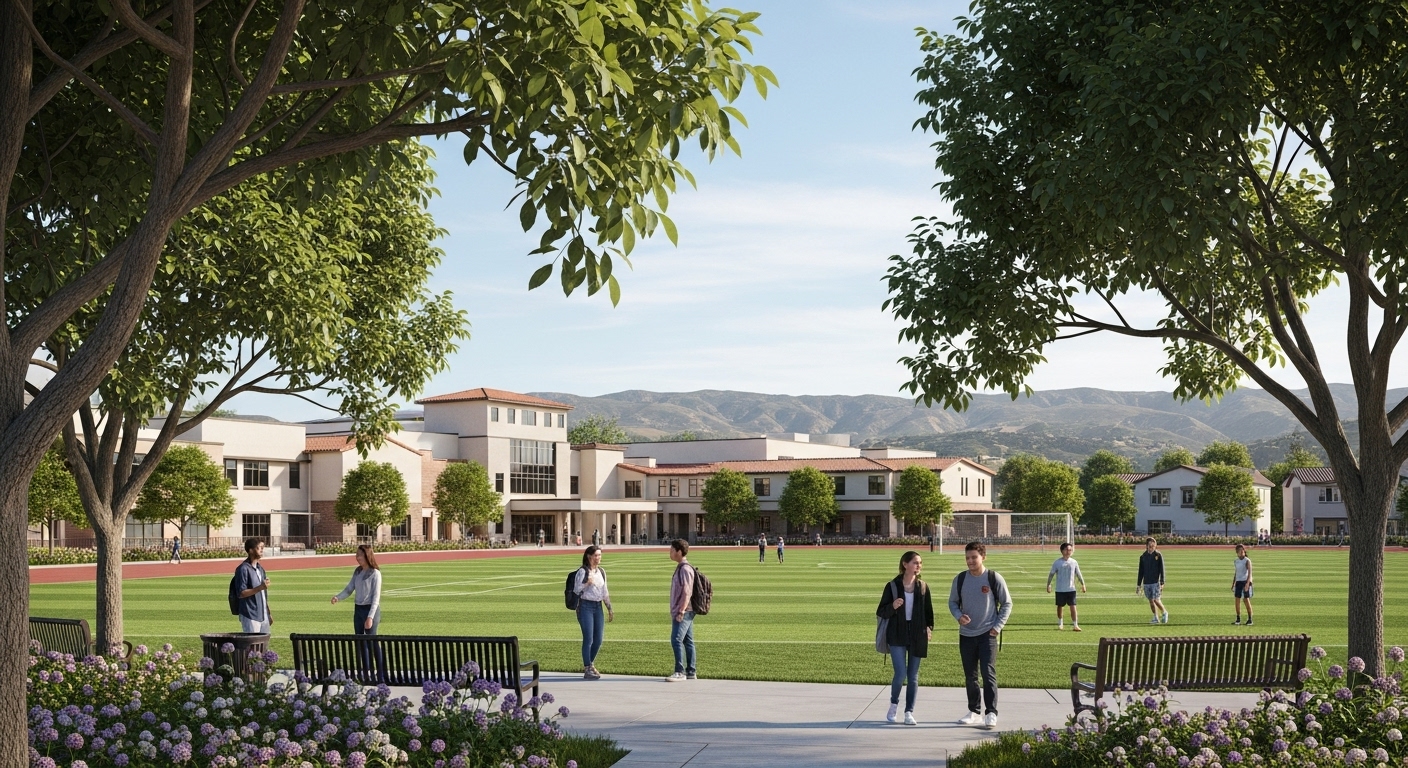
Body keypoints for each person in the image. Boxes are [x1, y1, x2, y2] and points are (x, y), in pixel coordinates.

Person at [949, 542, 1012, 730]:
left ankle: (991, 712)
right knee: (971, 675)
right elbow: (952, 603)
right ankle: (974, 712)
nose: (970, 561)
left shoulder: (993, 578)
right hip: (966, 635)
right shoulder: (960, 579)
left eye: (974, 557)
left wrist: (997, 626)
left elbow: (1007, 603)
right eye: (967, 557)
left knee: (988, 673)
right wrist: (959, 616)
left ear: (983, 557)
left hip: (987, 634)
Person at [877, 551, 934, 726]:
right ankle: (894, 704)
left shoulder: (923, 587)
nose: (919, 566)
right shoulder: (892, 586)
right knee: (901, 673)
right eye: (915, 562)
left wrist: (929, 628)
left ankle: (909, 711)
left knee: (913, 676)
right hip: (897, 633)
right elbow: (881, 611)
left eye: (920, 563)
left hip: (917, 634)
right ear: (905, 564)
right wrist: (893, 606)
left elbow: (928, 613)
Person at [572, 545, 613, 679]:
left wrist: (609, 608)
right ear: (589, 556)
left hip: (598, 606)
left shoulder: (601, 571)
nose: (598, 558)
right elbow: (576, 589)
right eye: (596, 555)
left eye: (600, 555)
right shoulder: (583, 572)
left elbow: (604, 591)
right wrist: (586, 583)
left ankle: (590, 664)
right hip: (585, 606)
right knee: (588, 638)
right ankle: (587, 668)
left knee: (598, 639)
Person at [331, 544, 383, 634]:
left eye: (360, 555)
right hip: (358, 609)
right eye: (357, 555)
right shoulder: (358, 571)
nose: (357, 557)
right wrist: (338, 597)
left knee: (371, 642)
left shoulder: (375, 574)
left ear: (367, 555)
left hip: (370, 609)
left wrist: (370, 617)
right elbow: (349, 589)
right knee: (359, 640)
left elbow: (376, 598)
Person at [666, 539, 697, 682]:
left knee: (676, 640)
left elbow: (686, 592)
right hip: (685, 610)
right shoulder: (682, 567)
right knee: (688, 641)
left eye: (672, 550)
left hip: (684, 611)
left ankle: (680, 671)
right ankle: (691, 671)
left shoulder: (685, 569)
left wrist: (681, 610)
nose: (670, 552)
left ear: (679, 551)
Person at [234, 538, 273, 633]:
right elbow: (241, 593)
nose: (261, 550)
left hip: (263, 615)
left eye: (262, 548)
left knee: (263, 646)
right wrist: (260, 587)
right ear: (251, 550)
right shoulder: (243, 569)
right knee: (251, 646)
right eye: (259, 548)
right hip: (250, 615)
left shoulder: (261, 569)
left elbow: (263, 594)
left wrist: (268, 613)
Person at [1046, 542, 1087, 631]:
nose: (1069, 551)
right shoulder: (1057, 562)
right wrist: (1048, 584)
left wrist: (1083, 584)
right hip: (1060, 589)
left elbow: (1078, 574)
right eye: (1067, 550)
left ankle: (1075, 625)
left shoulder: (1074, 562)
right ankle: (1060, 623)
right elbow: (1051, 574)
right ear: (1062, 551)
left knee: (1073, 606)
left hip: (1071, 589)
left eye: (1070, 550)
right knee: (1060, 606)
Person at [1136, 537, 1168, 624]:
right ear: (1146, 546)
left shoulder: (1158, 555)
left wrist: (1162, 582)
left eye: (1153, 545)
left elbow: (1162, 569)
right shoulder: (1143, 557)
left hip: (1155, 582)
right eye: (1150, 545)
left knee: (1156, 599)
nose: (1152, 547)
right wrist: (1138, 585)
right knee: (1151, 601)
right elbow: (1140, 572)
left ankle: (1164, 612)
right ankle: (1155, 617)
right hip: (1146, 582)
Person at [1232, 543, 1254, 625]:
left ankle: (1250, 619)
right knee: (1237, 601)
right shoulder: (1236, 561)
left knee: (1246, 600)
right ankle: (1238, 619)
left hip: (1245, 581)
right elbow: (1236, 572)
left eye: (1242, 550)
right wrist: (1233, 583)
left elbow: (1250, 573)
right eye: (1239, 551)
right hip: (1238, 582)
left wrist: (1248, 583)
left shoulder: (1247, 560)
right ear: (1237, 552)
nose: (1241, 552)